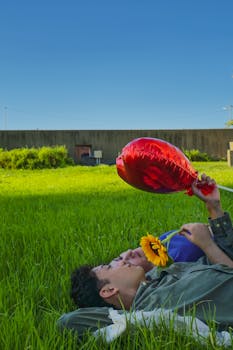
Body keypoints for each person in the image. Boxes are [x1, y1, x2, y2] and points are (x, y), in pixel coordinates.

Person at [69, 174, 233, 331]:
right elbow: (68, 322)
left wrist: (214, 208)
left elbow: (226, 266)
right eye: (110, 267)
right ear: (108, 290)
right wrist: (208, 246)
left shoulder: (162, 275)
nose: (125, 258)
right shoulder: (153, 310)